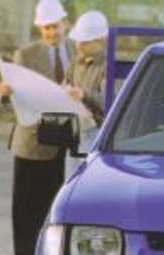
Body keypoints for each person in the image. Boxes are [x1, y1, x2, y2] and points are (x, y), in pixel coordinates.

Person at [0, 0, 75, 255]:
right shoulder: (26, 55)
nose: (52, 32)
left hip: (65, 140)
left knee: (53, 201)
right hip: (32, 139)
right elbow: (14, 94)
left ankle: (48, 254)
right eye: (47, 28)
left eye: (56, 26)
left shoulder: (76, 51)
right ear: (40, 29)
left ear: (65, 24)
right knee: (26, 201)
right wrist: (4, 94)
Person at [63, 11, 109, 178]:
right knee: (70, 182)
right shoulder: (75, 63)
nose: (79, 45)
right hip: (75, 133)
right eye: (78, 40)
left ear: (101, 40)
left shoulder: (109, 66)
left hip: (96, 134)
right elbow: (64, 86)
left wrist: (84, 95)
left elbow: (110, 102)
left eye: (85, 41)